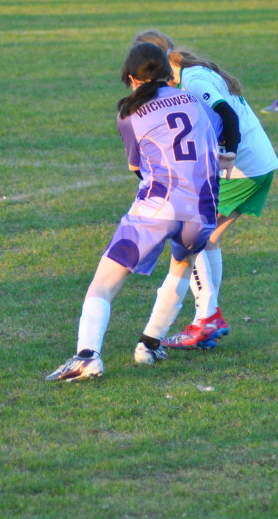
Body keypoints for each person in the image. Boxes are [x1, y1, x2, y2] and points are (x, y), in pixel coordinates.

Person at [47, 43, 221, 382]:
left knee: (103, 284)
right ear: (168, 73)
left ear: (131, 78)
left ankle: (87, 356)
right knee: (181, 268)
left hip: (158, 208)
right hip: (202, 209)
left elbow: (138, 167)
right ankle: (148, 345)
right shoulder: (192, 100)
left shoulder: (129, 113)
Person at [133, 30, 278, 350]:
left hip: (242, 168)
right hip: (256, 165)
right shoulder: (186, 75)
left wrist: (228, 151)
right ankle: (208, 319)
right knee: (207, 238)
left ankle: (207, 317)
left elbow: (227, 114)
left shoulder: (194, 81)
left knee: (191, 236)